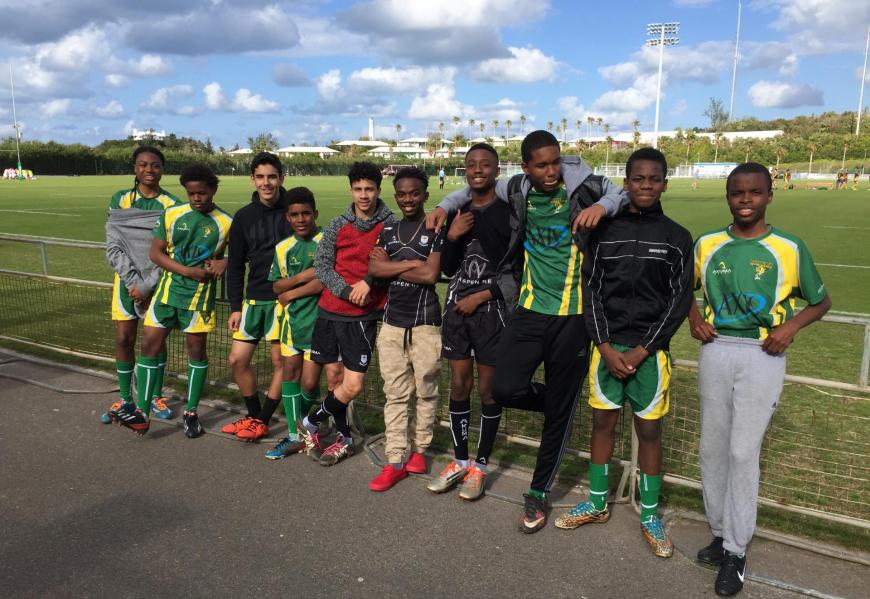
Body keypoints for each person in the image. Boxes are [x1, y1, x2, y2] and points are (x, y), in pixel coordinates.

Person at [427, 130, 627, 533]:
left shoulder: (583, 187)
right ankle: (561, 406)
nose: (551, 171)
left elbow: (618, 192)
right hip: (530, 309)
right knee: (502, 388)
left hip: (573, 317)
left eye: (555, 162)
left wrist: (602, 208)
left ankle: (537, 494)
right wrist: (443, 204)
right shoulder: (515, 187)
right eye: (541, 164)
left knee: (555, 416)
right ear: (525, 167)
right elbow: (472, 187)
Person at [688, 162, 831, 596]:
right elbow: (680, 290)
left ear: (770, 195)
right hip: (716, 350)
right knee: (712, 448)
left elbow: (820, 301)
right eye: (737, 193)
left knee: (742, 451)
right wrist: (693, 315)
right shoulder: (708, 244)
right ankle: (719, 532)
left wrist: (789, 328)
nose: (745, 200)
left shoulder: (788, 246)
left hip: (762, 353)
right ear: (727, 196)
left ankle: (736, 550)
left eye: (754, 192)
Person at [553, 148, 694, 558]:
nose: (646, 185)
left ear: (665, 183)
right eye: (638, 179)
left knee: (649, 432)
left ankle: (649, 513)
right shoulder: (605, 233)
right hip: (607, 350)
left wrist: (644, 349)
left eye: (654, 179)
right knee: (602, 425)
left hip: (650, 355)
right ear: (626, 183)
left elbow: (678, 299)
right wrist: (604, 345)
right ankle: (598, 503)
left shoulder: (677, 237)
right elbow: (591, 289)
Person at [111, 164, 232, 437]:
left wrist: (227, 260)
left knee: (197, 351)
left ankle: (191, 411)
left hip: (198, 300)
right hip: (166, 294)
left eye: (202, 193)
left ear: (213, 189)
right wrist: (189, 271)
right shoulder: (172, 214)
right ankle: (142, 412)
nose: (197, 198)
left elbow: (242, 254)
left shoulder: (226, 222)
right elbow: (156, 254)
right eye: (191, 194)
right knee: (149, 345)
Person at [424, 143, 511, 500]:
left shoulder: (509, 211)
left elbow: (515, 269)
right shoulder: (456, 210)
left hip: (492, 312)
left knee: (488, 389)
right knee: (459, 384)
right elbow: (446, 268)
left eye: (485, 164)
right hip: (457, 312)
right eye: (472, 164)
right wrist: (452, 236)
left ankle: (481, 466)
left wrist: (482, 296)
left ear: (496, 169)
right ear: (465, 170)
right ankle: (460, 461)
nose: (478, 170)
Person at [297, 161, 396, 466]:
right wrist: (344, 291)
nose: (363, 195)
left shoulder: (389, 223)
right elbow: (323, 266)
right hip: (330, 311)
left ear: (379, 190)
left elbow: (390, 264)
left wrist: (369, 284)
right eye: (358, 189)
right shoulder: (338, 224)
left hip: (363, 316)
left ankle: (310, 422)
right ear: (351, 190)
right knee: (334, 380)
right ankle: (344, 439)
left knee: (352, 386)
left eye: (369, 189)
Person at [366, 166, 444, 491]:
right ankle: (395, 459)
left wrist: (392, 268)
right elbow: (374, 267)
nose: (408, 199)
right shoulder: (388, 231)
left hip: (426, 323)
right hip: (392, 323)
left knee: (426, 390)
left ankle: (421, 450)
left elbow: (431, 276)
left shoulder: (436, 228)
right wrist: (412, 264)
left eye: (414, 193)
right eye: (402, 194)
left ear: (425, 194)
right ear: (395, 196)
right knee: (395, 394)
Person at [103, 146, 182, 424]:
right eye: (143, 165)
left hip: (157, 283)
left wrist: (148, 285)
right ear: (134, 168)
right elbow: (114, 244)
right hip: (126, 282)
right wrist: (133, 282)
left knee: (155, 341)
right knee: (124, 338)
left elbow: (171, 250)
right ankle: (126, 398)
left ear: (163, 169)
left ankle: (154, 396)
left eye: (155, 165)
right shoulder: (120, 199)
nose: (149, 170)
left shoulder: (172, 204)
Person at [221, 152, 293, 442]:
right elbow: (236, 265)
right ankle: (253, 415)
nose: (267, 183)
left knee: (281, 364)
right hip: (253, 301)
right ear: (252, 179)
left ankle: (262, 420)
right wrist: (235, 307)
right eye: (261, 177)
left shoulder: (294, 210)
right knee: (237, 360)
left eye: (272, 177)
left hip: (283, 303)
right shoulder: (243, 216)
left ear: (281, 178)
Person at [264, 187, 332, 459]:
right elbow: (275, 285)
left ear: (315, 214)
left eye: (306, 213)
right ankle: (296, 435)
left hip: (322, 322)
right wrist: (301, 277)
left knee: (310, 383)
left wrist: (291, 291)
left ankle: (309, 426)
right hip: (293, 323)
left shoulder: (327, 240)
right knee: (289, 375)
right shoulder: (282, 248)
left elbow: (325, 280)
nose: (301, 219)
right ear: (287, 217)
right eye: (295, 214)